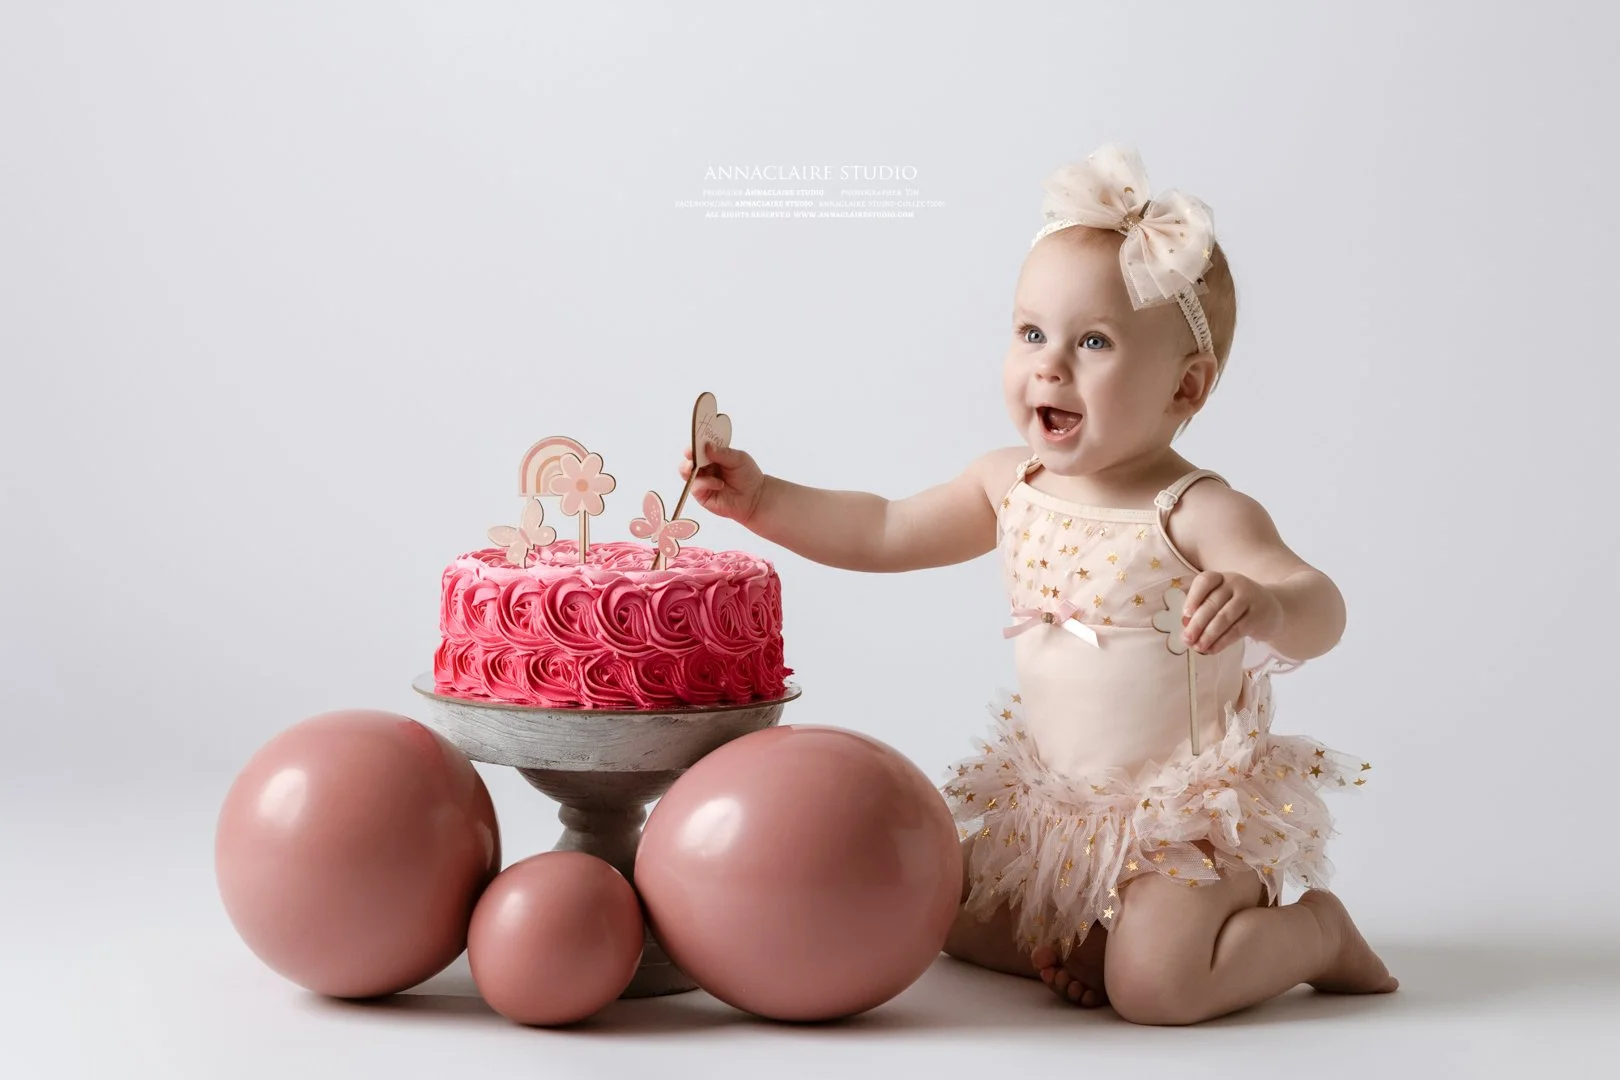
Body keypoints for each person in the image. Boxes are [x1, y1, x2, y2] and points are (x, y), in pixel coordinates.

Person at [677, 144, 1396, 1025]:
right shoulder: (1008, 484)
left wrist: (1271, 603)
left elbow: (1320, 604)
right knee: (943, 913)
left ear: (1187, 387)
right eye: (1031, 333)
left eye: (1093, 342)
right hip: (1059, 806)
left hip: (1182, 824)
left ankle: (1312, 934)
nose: (1049, 366)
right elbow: (883, 528)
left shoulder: (1194, 510)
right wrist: (765, 499)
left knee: (1157, 992)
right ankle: (1098, 936)